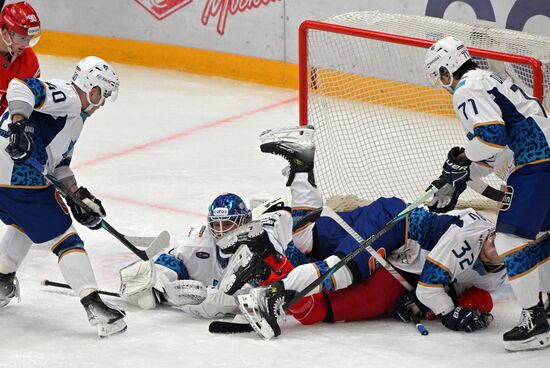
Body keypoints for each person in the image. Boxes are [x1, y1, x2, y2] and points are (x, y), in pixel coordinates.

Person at [223, 126, 505, 339]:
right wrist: (445, 312)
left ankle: (300, 162)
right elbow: (430, 287)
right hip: (396, 226)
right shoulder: (470, 237)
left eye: (498, 247)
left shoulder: (494, 272)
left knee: (305, 238)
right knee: (346, 271)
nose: (491, 244)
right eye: (494, 238)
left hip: (389, 224)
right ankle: (272, 295)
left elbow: (456, 287)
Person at [424, 36, 550, 351]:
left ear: (446, 69)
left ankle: (534, 322)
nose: (442, 83)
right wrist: (459, 174)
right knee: (541, 238)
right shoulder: (486, 79)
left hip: (536, 162)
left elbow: (491, 138)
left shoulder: (467, 88)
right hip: (538, 159)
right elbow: (499, 151)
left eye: (440, 75)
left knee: (508, 240)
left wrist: (461, 160)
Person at [0, 56, 124, 337]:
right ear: (93, 89)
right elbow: (20, 86)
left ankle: (1, 281)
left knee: (27, 223)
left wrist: (77, 196)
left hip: (9, 176)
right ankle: (95, 306)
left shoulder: (75, 120)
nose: (102, 103)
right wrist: (18, 126)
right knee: (66, 239)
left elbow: (58, 167)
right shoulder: (68, 96)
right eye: (103, 96)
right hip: (17, 176)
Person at [118, 192, 295, 318]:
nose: (220, 232)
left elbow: (280, 290)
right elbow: (170, 262)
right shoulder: (194, 241)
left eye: (226, 224)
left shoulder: (263, 241)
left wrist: (226, 300)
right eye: (215, 225)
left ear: (245, 223)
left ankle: (266, 205)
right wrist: (159, 285)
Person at [0, 2, 41, 115]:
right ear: (5, 33)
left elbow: (15, 109)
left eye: (29, 38)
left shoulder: (30, 63)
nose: (25, 44)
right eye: (22, 38)